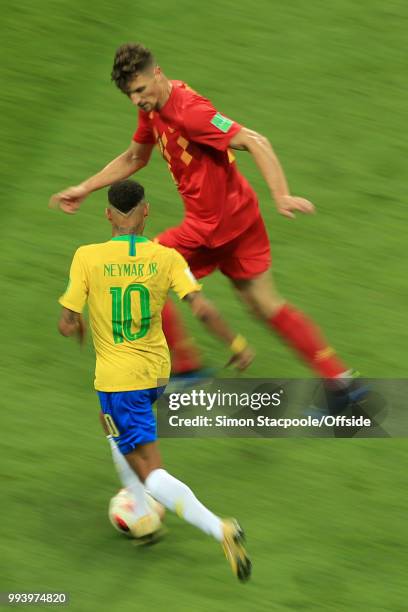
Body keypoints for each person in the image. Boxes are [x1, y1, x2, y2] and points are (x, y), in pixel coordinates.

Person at [51, 42, 355, 389]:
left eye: (139, 90)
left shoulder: (189, 111)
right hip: (241, 216)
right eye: (130, 95)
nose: (136, 99)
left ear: (158, 74)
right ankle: (341, 380)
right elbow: (135, 158)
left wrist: (281, 194)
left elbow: (256, 140)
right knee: (265, 306)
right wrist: (84, 187)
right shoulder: (152, 107)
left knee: (143, 273)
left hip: (210, 227)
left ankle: (185, 369)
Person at [58, 179, 252, 582]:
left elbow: (66, 323)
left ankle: (221, 529)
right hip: (155, 373)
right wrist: (235, 342)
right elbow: (200, 308)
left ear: (108, 214)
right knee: (111, 427)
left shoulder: (86, 257)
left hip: (119, 378)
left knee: (151, 472)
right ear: (146, 212)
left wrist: (75, 323)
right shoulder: (167, 258)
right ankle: (144, 516)